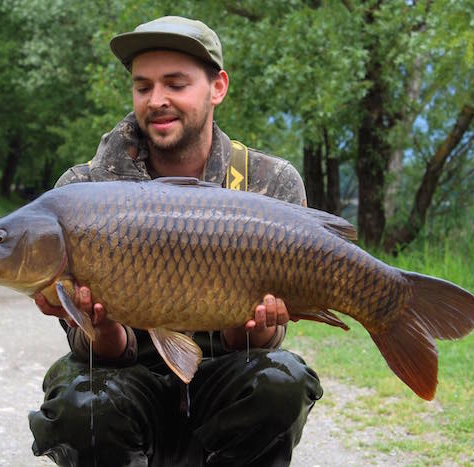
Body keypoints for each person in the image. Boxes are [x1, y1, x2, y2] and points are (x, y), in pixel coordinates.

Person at [28, 16, 323, 467]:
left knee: (281, 382)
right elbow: (96, 351)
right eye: (142, 86)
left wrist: (253, 324)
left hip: (225, 384)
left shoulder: (268, 183)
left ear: (217, 87)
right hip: (127, 385)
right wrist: (100, 328)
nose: (156, 100)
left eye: (175, 84)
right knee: (81, 404)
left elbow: (264, 343)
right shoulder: (82, 192)